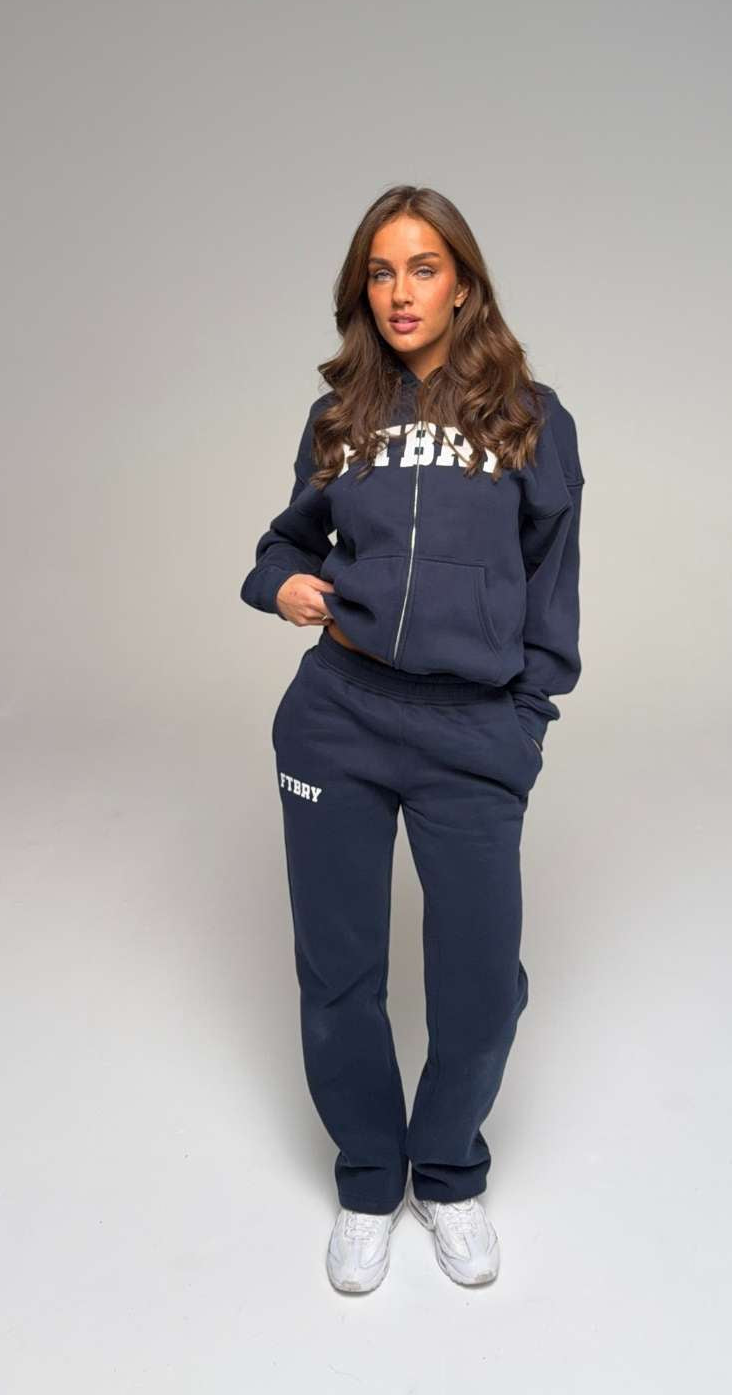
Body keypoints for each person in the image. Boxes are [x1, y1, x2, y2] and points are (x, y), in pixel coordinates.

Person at [240, 185, 585, 1293]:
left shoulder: (533, 417)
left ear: (463, 283)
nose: (400, 291)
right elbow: (286, 541)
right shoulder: (340, 413)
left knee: (479, 984)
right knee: (339, 971)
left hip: (472, 731)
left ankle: (445, 1170)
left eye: (422, 267)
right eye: (380, 271)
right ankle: (363, 1179)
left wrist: (524, 720)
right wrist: (278, 583)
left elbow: (553, 583)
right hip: (339, 716)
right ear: (362, 289)